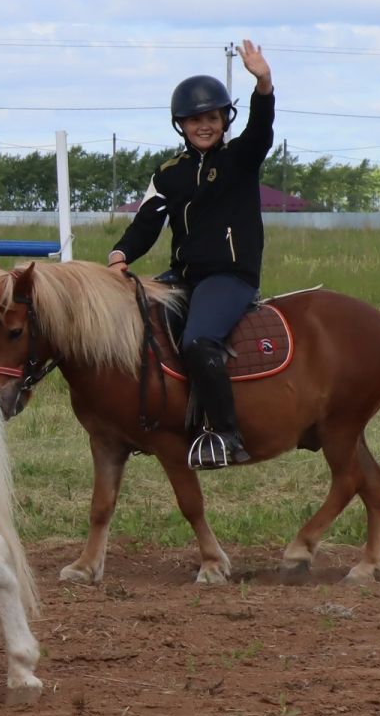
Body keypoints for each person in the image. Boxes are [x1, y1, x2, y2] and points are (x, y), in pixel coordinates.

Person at [107, 41, 275, 469]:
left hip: (230, 277)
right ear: (180, 124)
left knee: (198, 341)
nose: (204, 125)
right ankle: (154, 416)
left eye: (213, 118)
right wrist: (120, 253)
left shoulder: (241, 158)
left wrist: (263, 83)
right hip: (182, 276)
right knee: (132, 319)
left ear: (224, 121)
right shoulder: (168, 173)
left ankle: (226, 434)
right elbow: (148, 221)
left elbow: (260, 130)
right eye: (195, 119)